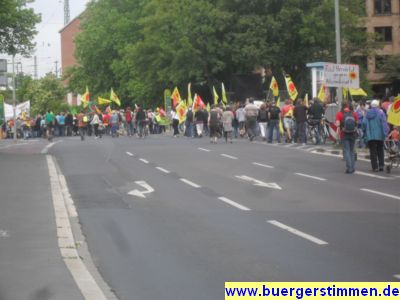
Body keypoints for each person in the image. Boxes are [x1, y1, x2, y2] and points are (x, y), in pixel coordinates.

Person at [362, 100, 389, 172]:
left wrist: (364, 130)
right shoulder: (381, 113)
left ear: (371, 105)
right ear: (377, 105)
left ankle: (375, 167)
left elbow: (364, 123)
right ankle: (381, 166)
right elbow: (384, 123)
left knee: (372, 151)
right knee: (380, 150)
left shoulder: (367, 113)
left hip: (370, 135)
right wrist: (385, 133)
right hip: (380, 135)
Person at [335, 102, 359, 174]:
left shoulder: (339, 114)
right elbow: (357, 122)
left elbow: (338, 124)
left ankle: (349, 168)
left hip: (344, 134)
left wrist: (338, 132)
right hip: (353, 133)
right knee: (352, 151)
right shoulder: (353, 113)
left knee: (347, 151)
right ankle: (353, 167)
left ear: (342, 106)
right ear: (348, 106)